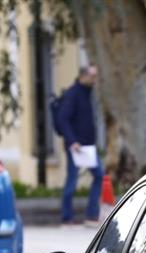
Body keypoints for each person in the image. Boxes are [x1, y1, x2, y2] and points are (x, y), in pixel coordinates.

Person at [57, 64, 103, 226]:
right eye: (92, 76)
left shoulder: (88, 93)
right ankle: (66, 217)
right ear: (83, 76)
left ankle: (91, 214)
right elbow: (63, 119)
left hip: (88, 146)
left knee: (99, 175)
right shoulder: (73, 94)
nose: (94, 79)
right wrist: (72, 141)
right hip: (76, 147)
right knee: (72, 180)